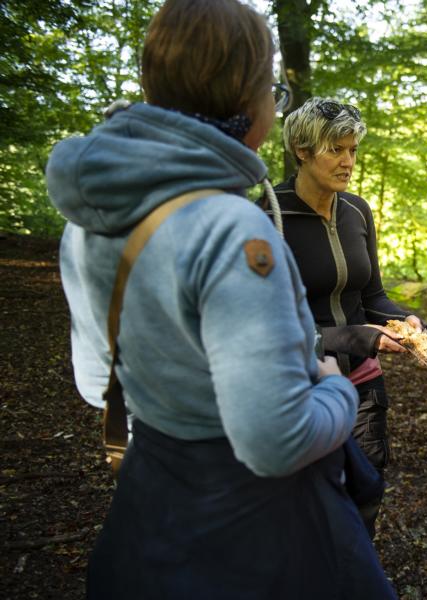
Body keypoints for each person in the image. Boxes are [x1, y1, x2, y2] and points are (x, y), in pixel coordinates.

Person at [45, 0, 395, 597]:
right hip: (255, 517)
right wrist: (334, 382)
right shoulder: (234, 229)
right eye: (271, 87)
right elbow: (274, 439)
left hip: (155, 499)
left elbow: (95, 377)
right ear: (246, 96)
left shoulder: (90, 220)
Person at [264, 97, 427, 537]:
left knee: (364, 495)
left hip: (363, 388)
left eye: (353, 150)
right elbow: (268, 328)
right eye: (336, 149)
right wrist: (354, 337)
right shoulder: (266, 215)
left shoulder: (357, 211)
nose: (348, 161)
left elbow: (372, 296)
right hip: (298, 387)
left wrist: (406, 322)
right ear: (301, 149)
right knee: (303, 507)